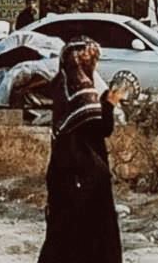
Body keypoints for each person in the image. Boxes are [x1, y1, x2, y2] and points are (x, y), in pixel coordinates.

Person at [39, 39, 123, 262]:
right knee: (92, 234)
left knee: (61, 231)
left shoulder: (61, 83)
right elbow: (102, 128)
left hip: (61, 170)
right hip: (87, 173)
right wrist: (110, 103)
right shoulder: (84, 90)